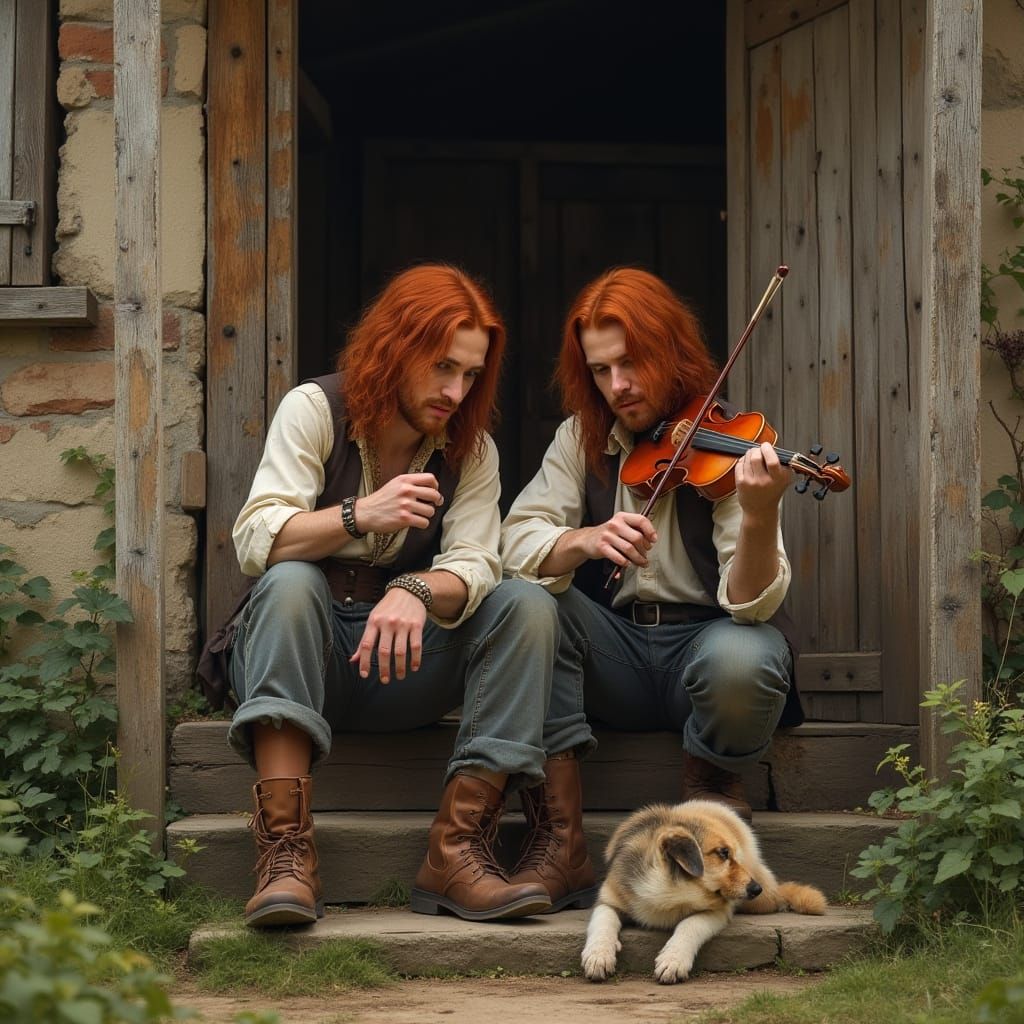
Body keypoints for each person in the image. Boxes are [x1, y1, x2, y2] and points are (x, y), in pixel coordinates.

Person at [221, 264, 572, 928]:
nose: (454, 390)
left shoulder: (471, 451)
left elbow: (475, 564)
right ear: (395, 345)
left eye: (470, 375)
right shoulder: (316, 408)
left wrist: (414, 587)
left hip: (402, 661)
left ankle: (458, 851)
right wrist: (360, 515)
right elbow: (256, 539)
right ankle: (286, 857)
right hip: (305, 656)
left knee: (527, 604)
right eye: (442, 366)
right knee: (291, 581)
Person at [500, 268, 804, 827]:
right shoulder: (581, 437)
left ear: (669, 350)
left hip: (705, 650)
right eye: (601, 370)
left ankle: (712, 782)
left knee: (747, 654)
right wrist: (582, 540)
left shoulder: (731, 444)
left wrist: (759, 515)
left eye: (631, 362)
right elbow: (515, 543)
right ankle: (555, 812)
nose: (618, 386)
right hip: (614, 656)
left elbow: (753, 605)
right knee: (524, 606)